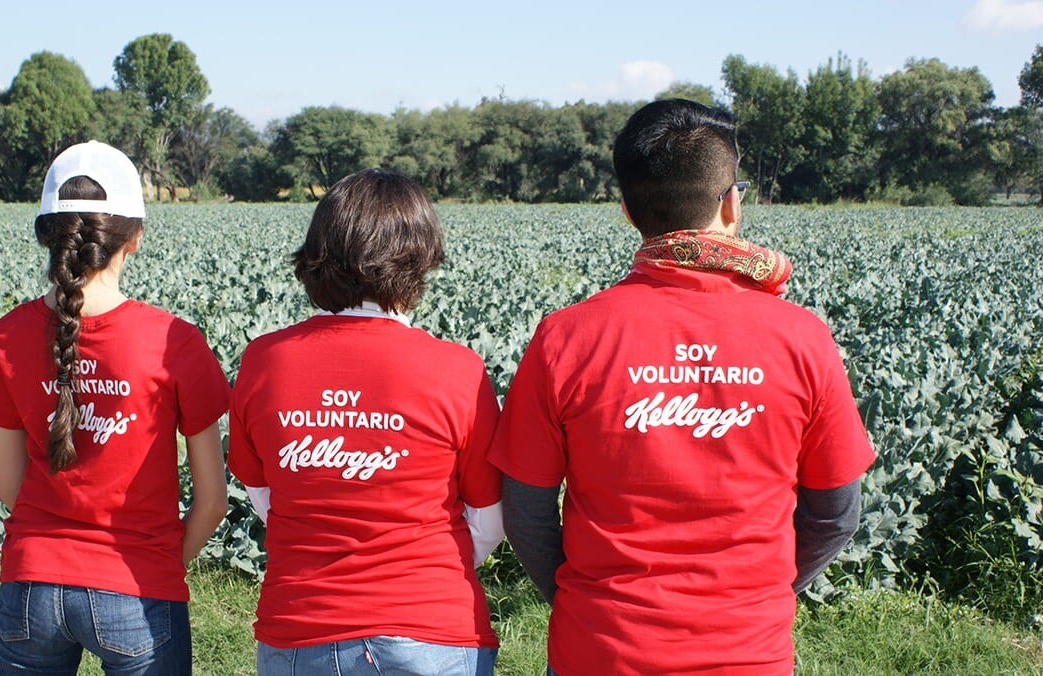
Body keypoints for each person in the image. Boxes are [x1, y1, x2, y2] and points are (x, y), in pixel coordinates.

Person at [491, 100, 875, 674]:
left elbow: (524, 510)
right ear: (730, 202)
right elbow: (836, 515)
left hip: (598, 650)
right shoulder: (802, 338)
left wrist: (584, 599)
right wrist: (757, 599)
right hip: (749, 653)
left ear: (626, 209)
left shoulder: (565, 338)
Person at [0, 141, 230, 675]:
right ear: (134, 238)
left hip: (30, 587)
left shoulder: (6, 336)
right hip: (137, 588)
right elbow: (213, 501)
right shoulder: (175, 341)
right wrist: (160, 565)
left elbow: (8, 486)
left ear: (46, 235)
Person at [228, 169, 503, 676]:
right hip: (432, 632)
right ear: (419, 258)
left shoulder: (263, 360)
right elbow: (488, 522)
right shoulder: (458, 370)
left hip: (299, 631)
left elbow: (264, 497)